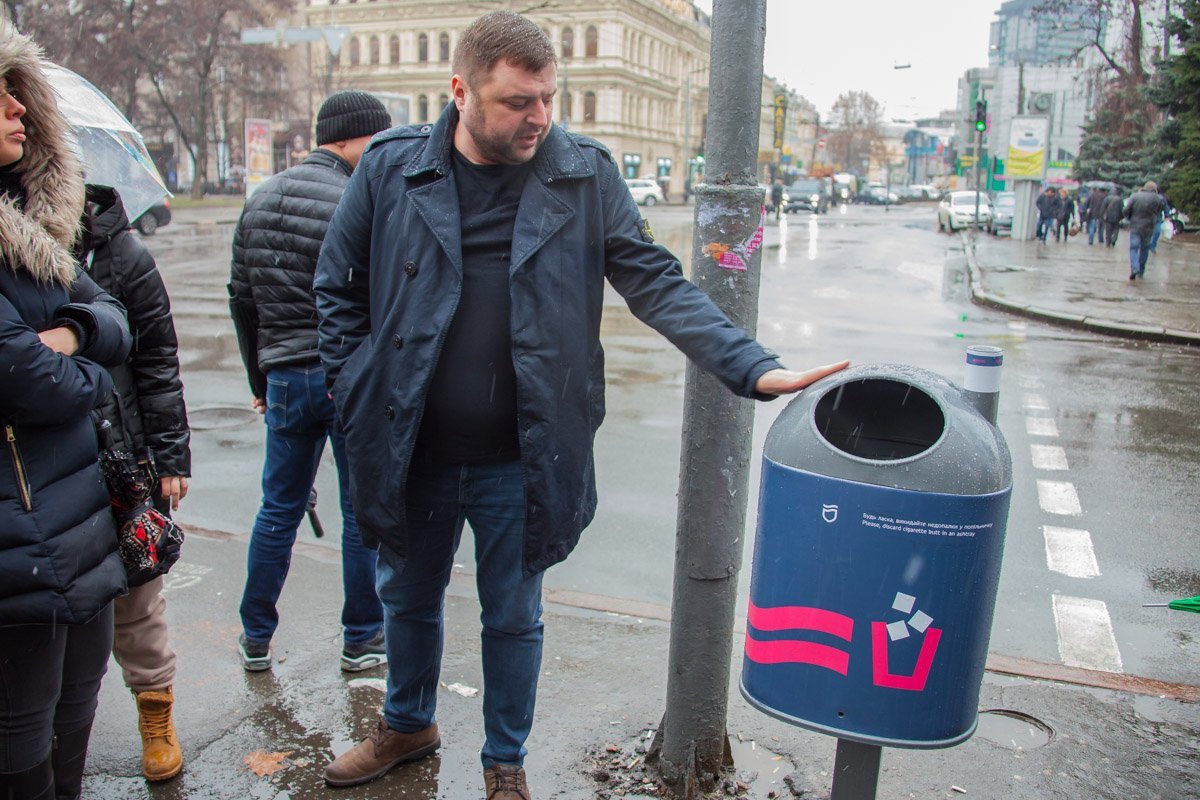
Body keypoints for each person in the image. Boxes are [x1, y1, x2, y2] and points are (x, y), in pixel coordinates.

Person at [312, 11, 848, 799]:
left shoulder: (582, 173)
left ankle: (505, 762)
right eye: (517, 102)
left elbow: (654, 280)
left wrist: (752, 368)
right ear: (460, 92)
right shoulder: (393, 166)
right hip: (410, 443)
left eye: (548, 99)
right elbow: (336, 283)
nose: (539, 118)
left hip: (523, 453)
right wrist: (355, 384)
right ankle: (407, 723)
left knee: (513, 614)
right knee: (408, 598)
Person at [0, 23, 132, 799]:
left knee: (79, 702)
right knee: (21, 728)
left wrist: (71, 335)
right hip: (15, 541)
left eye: (20, 93)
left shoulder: (33, 227)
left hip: (79, 522)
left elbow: (116, 319)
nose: (18, 108)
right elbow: (30, 380)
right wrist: (86, 355)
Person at [228, 91, 392, 675]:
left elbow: (241, 299)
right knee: (359, 514)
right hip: (344, 376)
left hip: (283, 379)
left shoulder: (260, 199)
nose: (382, 150)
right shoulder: (355, 198)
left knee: (278, 509)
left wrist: (260, 376)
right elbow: (378, 296)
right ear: (348, 137)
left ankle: (255, 636)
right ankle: (362, 638)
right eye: (376, 139)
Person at [77, 183, 191, 782]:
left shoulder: (120, 254)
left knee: (138, 595)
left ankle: (156, 715)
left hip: (120, 454)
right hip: (37, 458)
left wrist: (170, 456)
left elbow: (157, 358)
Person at [1123, 180, 1167, 280]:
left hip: (1135, 226)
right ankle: (1141, 271)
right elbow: (1159, 212)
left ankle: (1134, 268)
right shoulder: (1158, 199)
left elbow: (1126, 210)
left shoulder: (1135, 196)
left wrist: (1129, 218)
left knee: (1134, 248)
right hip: (1149, 227)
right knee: (1145, 248)